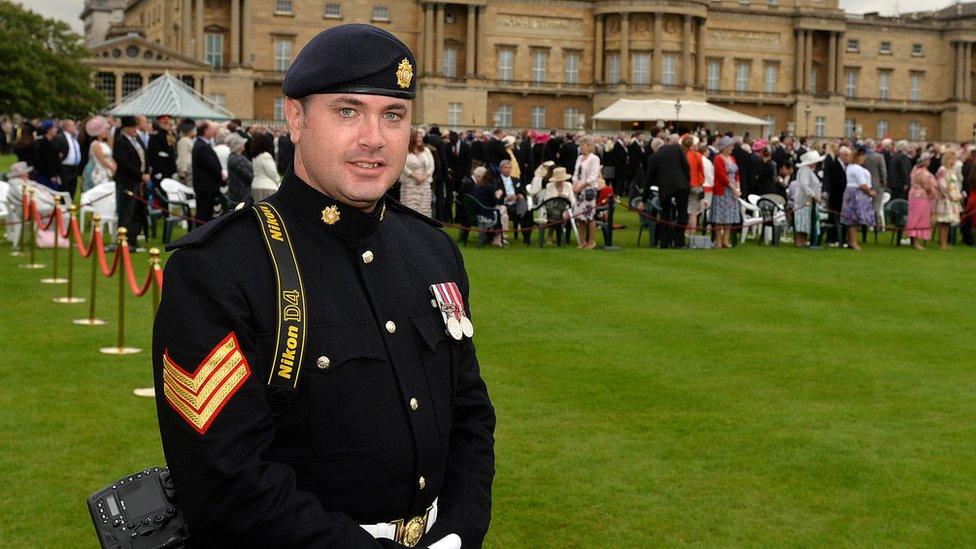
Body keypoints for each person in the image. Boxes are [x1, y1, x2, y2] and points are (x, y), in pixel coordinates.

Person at [153, 24, 493, 549]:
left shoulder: (431, 251)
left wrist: (459, 533)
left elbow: (470, 414)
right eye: (347, 111)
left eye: (393, 115)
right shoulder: (220, 269)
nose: (374, 138)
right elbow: (225, 484)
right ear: (295, 117)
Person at [644, 135, 690, 249]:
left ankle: (664, 242)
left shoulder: (654, 157)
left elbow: (649, 179)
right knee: (682, 213)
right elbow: (686, 167)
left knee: (665, 214)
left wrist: (644, 198)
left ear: (654, 148)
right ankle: (679, 242)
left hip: (665, 187)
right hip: (681, 184)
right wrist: (687, 181)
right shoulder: (676, 149)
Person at [113, 116, 149, 249]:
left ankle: (133, 238)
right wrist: (140, 175)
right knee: (127, 211)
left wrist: (145, 173)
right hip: (127, 181)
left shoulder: (137, 140)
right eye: (133, 127)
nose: (135, 130)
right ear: (126, 128)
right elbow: (124, 163)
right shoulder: (120, 141)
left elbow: (144, 156)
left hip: (139, 181)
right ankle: (124, 240)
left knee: (137, 211)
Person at [841, 146, 877, 251]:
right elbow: (862, 185)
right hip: (856, 194)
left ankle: (851, 241)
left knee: (851, 219)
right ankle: (853, 242)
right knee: (853, 219)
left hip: (850, 192)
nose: (864, 158)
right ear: (858, 156)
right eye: (863, 156)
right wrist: (870, 192)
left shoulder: (850, 167)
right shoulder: (857, 169)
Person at [710, 137, 740, 248]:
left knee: (729, 217)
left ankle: (725, 240)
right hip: (722, 190)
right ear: (725, 147)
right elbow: (721, 176)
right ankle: (718, 240)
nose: (732, 148)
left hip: (732, 192)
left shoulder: (732, 158)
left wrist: (738, 187)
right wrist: (732, 187)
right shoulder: (718, 158)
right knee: (719, 217)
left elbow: (737, 174)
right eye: (730, 146)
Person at [572, 137, 601, 249]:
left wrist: (582, 186)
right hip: (578, 191)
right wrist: (575, 184)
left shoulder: (594, 159)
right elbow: (575, 173)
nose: (581, 148)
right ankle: (582, 241)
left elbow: (593, 177)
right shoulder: (579, 158)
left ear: (589, 146)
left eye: (583, 145)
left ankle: (591, 241)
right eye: (580, 146)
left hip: (588, 190)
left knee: (589, 216)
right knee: (580, 217)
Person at [191, 120, 223, 223]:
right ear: (205, 131)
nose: (214, 132)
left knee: (207, 213)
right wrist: (220, 174)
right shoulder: (201, 146)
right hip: (205, 186)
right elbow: (211, 166)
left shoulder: (203, 144)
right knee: (203, 214)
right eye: (212, 129)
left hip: (207, 186)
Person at [400, 128, 435, 216]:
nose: (419, 139)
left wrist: (424, 176)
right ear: (412, 138)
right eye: (417, 137)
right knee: (410, 210)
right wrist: (414, 176)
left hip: (424, 184)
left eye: (420, 137)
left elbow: (431, 166)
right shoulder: (405, 151)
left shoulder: (426, 151)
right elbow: (402, 165)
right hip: (410, 184)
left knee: (425, 210)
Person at [792, 150, 824, 247]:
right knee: (802, 222)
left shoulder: (808, 170)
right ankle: (800, 241)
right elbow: (804, 186)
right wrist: (814, 195)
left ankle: (803, 241)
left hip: (808, 201)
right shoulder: (805, 170)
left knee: (806, 222)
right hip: (804, 201)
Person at [933, 150, 962, 250]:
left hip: (953, 199)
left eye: (955, 159)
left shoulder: (952, 170)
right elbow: (942, 185)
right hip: (944, 199)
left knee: (948, 222)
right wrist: (949, 195)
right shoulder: (942, 169)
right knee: (943, 222)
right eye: (952, 158)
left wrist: (958, 194)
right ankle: (942, 243)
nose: (954, 161)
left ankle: (945, 243)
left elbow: (956, 184)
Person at [498, 159, 530, 245]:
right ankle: (504, 237)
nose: (508, 170)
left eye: (510, 168)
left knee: (524, 205)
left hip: (516, 204)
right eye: (505, 168)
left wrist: (519, 195)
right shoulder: (497, 181)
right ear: (501, 169)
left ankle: (526, 237)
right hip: (504, 205)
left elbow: (522, 191)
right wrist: (506, 198)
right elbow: (496, 197)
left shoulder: (516, 180)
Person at [55, 119, 82, 198]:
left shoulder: (75, 138)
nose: (75, 127)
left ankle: (70, 207)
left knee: (72, 190)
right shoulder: (60, 137)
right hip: (65, 168)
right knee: (64, 190)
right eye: (73, 125)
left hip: (74, 169)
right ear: (67, 126)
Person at [249, 132, 280, 201]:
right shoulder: (266, 156)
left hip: (255, 185)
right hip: (268, 187)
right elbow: (272, 172)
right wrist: (278, 181)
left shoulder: (254, 157)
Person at [86, 116, 116, 188]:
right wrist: (112, 168)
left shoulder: (104, 143)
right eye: (104, 130)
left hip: (108, 170)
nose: (106, 132)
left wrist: (114, 165)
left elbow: (110, 156)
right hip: (100, 172)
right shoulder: (96, 144)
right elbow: (102, 160)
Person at [224, 133, 253, 206]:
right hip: (240, 194)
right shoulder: (237, 159)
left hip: (239, 192)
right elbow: (248, 175)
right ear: (238, 146)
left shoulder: (236, 157)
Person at [35, 120, 61, 190]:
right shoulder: (44, 144)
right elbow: (46, 161)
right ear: (48, 130)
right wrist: (52, 175)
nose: (56, 130)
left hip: (51, 175)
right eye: (54, 128)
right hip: (46, 177)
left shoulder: (50, 142)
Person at [176, 120, 195, 187]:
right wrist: (183, 172)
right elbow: (182, 157)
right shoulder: (184, 141)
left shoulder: (189, 140)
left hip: (190, 170)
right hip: (187, 172)